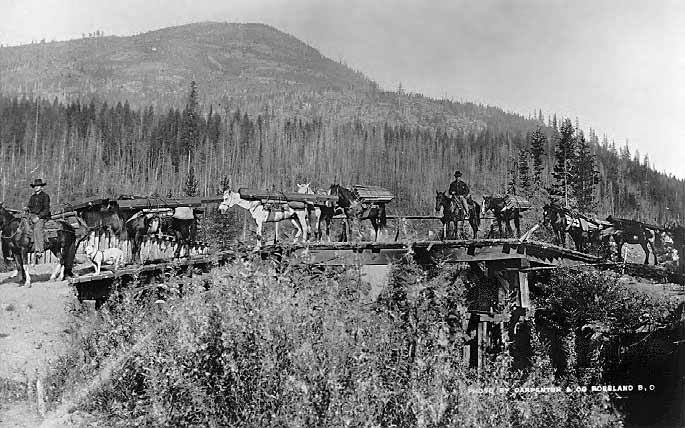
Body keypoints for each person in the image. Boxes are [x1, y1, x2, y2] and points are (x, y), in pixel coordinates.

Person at [26, 178, 51, 260]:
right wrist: (26, 209)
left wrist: (38, 217)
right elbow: (29, 207)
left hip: (41, 217)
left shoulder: (45, 196)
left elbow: (46, 209)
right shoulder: (32, 197)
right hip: (32, 216)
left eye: (38, 186)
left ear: (41, 187)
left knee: (37, 229)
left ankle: (39, 250)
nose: (36, 187)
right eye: (35, 186)